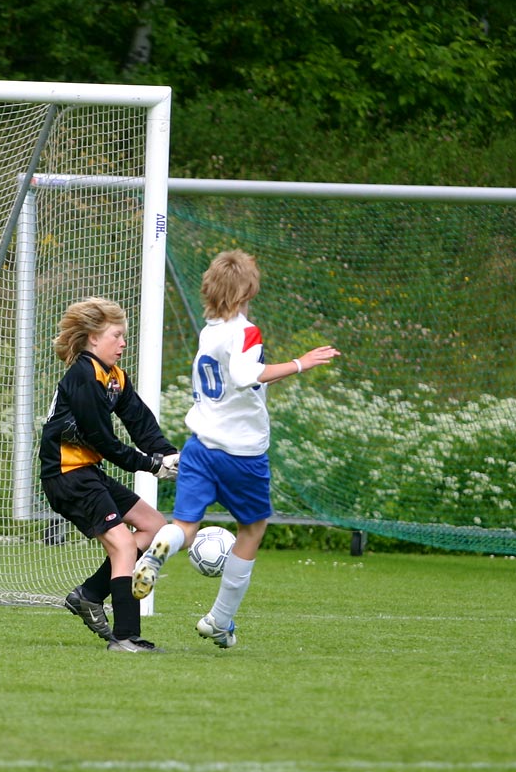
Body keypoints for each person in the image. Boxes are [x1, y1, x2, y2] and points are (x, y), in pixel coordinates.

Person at [132, 250, 339, 649]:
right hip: (240, 453)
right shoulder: (246, 331)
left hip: (199, 446)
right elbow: (248, 376)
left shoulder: (210, 331)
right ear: (248, 290)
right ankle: (220, 621)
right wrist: (301, 363)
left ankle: (158, 552)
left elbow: (238, 378)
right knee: (253, 529)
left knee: (186, 526)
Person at [40, 297, 180, 653]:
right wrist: (149, 465)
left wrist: (168, 454)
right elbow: (102, 440)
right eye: (117, 335)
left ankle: (88, 595)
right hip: (66, 476)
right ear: (92, 338)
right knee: (121, 545)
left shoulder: (114, 377)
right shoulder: (84, 376)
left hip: (87, 471)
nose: (123, 343)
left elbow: (140, 422)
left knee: (154, 526)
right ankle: (125, 637)